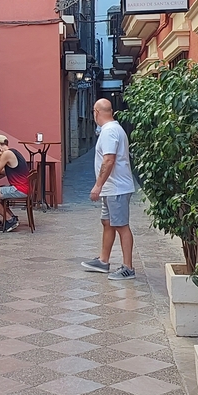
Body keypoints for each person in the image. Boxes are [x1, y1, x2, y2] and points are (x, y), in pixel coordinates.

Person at [81, 99, 138, 280]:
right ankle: (103, 261)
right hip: (111, 188)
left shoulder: (109, 131)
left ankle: (128, 267)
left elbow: (109, 159)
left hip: (116, 188)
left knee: (121, 225)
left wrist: (98, 185)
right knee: (107, 222)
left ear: (96, 112)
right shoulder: (112, 129)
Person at [0, 135, 31, 232]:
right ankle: (11, 217)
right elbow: (6, 170)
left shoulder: (6, 154)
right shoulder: (13, 152)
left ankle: (10, 219)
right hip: (24, 187)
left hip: (18, 189)